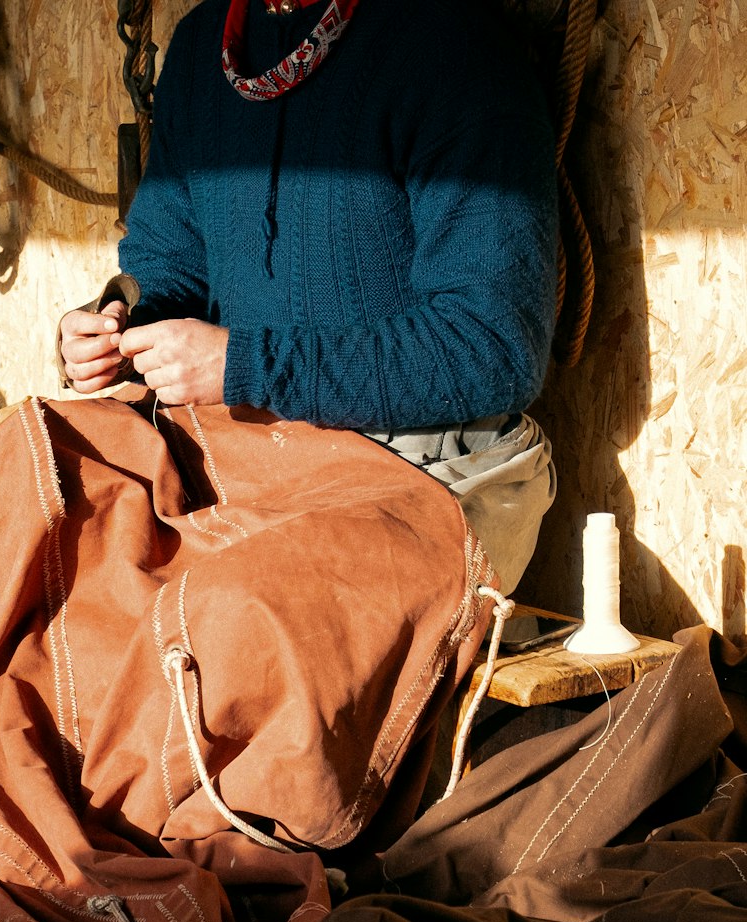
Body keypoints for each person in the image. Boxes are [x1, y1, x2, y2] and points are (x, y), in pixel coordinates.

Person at [57, 0, 560, 592]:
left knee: (232, 624)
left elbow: (493, 345)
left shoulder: (453, 43)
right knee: (9, 510)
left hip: (418, 477)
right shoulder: (200, 49)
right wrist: (112, 328)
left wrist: (245, 365)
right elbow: (169, 264)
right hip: (240, 461)